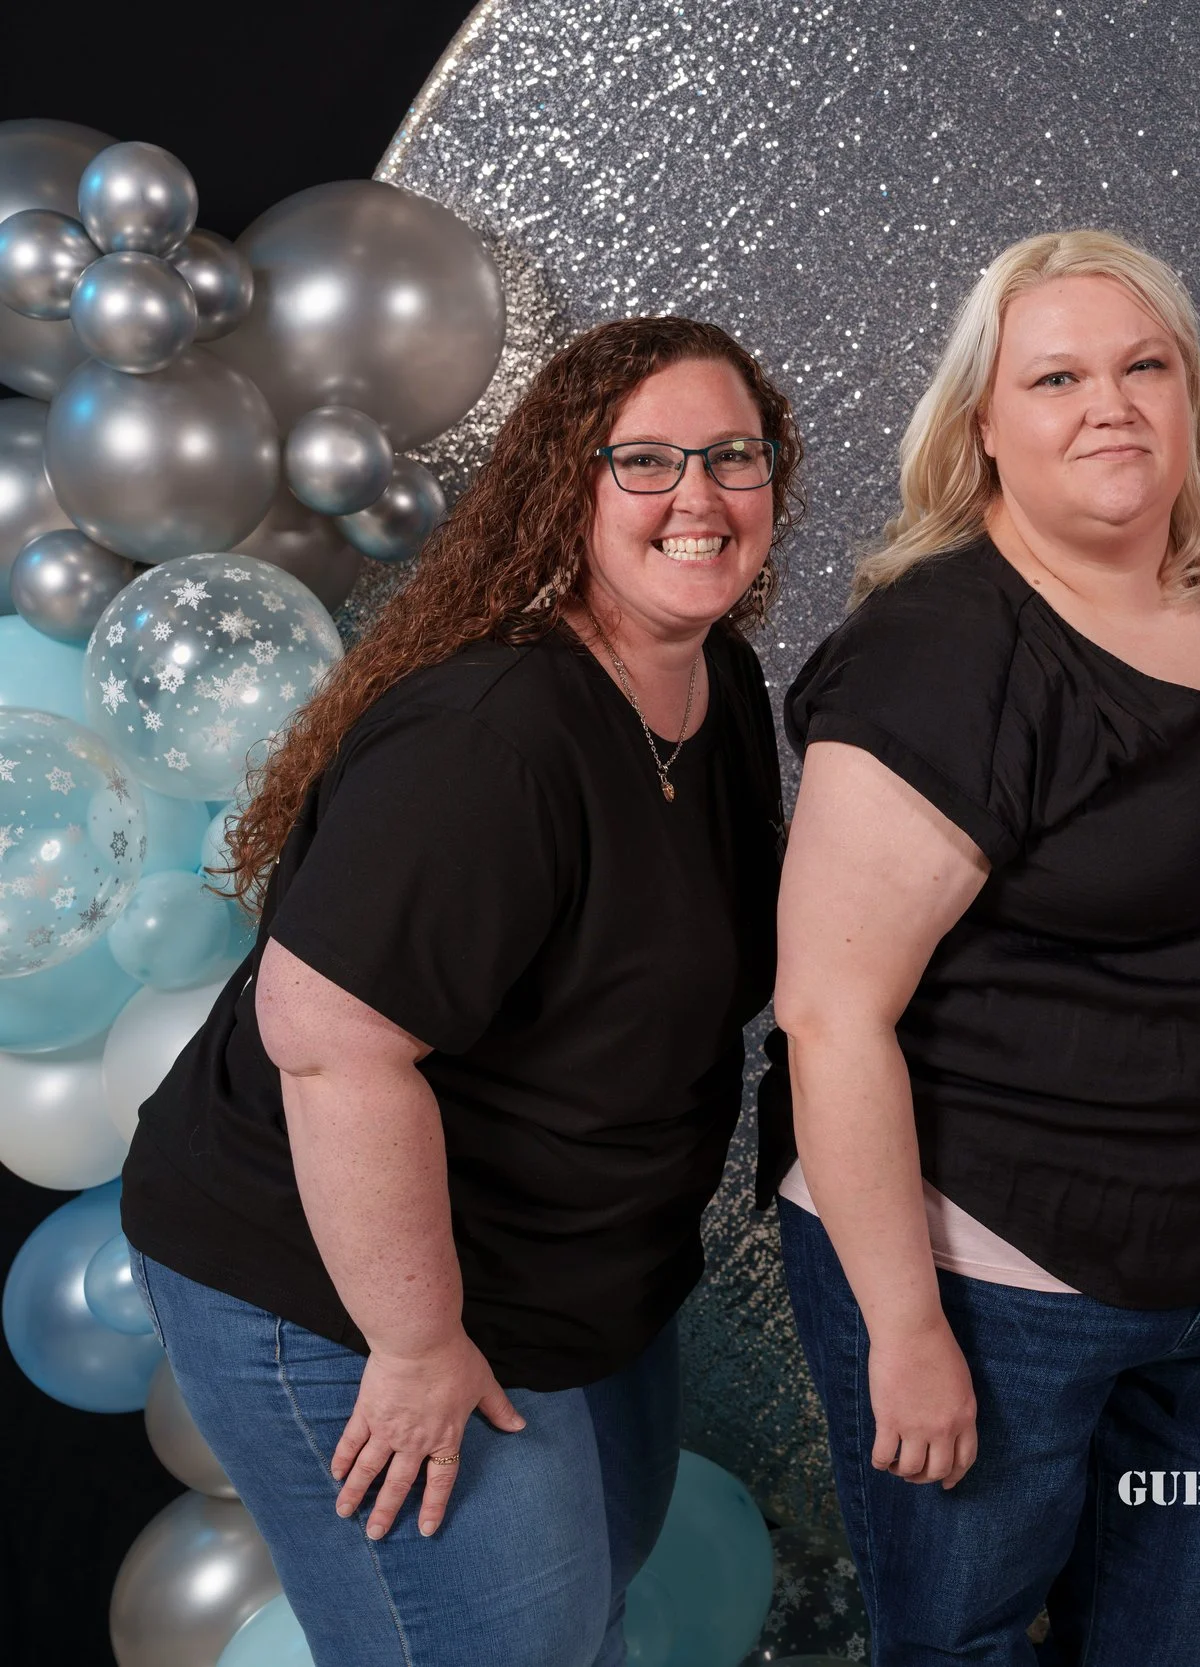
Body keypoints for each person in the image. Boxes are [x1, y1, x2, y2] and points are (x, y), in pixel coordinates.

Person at [119, 317, 797, 1667]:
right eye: (648, 460)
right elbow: (328, 1047)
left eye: (735, 454)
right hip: (340, 1276)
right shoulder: (494, 737)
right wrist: (417, 1344)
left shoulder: (708, 678)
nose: (701, 495)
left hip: (562, 1272)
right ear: (569, 482)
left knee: (585, 1618)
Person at [764, 228, 1200, 1664]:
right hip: (990, 1274)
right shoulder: (946, 651)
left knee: (1169, 1632)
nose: (1111, 405)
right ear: (985, 426)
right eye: (1057, 378)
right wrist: (905, 1329)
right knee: (963, 1639)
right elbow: (829, 1011)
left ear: (1191, 392)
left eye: (1144, 365)